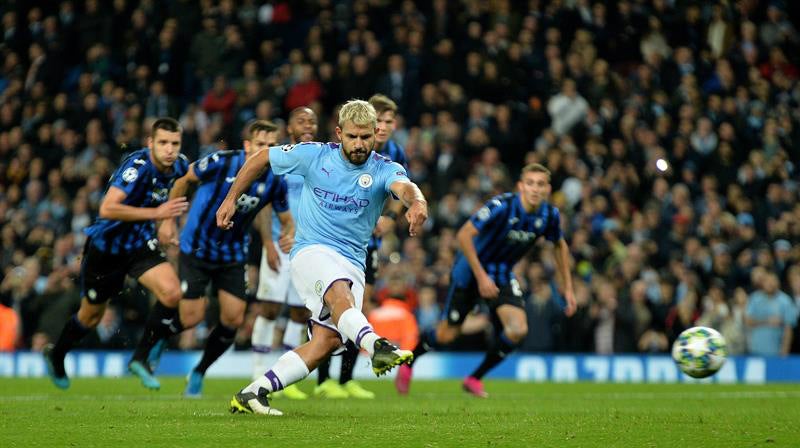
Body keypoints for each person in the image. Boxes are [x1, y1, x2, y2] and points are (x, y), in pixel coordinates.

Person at [217, 99, 428, 415]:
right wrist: (231, 199)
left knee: (325, 343)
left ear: (375, 135)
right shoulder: (314, 155)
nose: (359, 144)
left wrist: (418, 203)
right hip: (311, 251)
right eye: (353, 137)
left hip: (352, 260)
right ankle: (376, 346)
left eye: (366, 137)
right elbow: (261, 157)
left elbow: (405, 187)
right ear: (339, 133)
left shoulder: (384, 167)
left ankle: (252, 393)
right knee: (337, 294)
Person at [396, 163, 577, 398]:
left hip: (501, 274)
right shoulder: (502, 206)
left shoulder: (549, 215)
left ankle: (474, 378)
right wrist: (481, 277)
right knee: (447, 334)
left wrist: (568, 288)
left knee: (518, 329)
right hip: (469, 273)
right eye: (530, 183)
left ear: (548, 189)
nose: (535, 189)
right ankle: (409, 362)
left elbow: (559, 245)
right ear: (521, 186)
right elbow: (464, 234)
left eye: (540, 184)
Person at [43, 118, 190, 390]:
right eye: (163, 143)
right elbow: (107, 209)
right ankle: (56, 354)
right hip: (106, 250)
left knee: (171, 293)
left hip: (138, 245)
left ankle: (140, 359)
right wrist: (157, 214)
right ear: (150, 143)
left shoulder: (179, 165)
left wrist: (168, 223)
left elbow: (184, 183)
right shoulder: (137, 168)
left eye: (175, 143)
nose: (170, 149)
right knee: (90, 317)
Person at [152, 120, 293, 397]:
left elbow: (287, 220)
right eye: (261, 144)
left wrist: (288, 234)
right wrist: (169, 221)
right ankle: (160, 336)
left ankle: (199, 371)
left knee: (233, 319)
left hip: (232, 255)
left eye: (272, 145)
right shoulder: (221, 162)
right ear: (248, 145)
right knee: (192, 317)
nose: (266, 150)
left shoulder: (276, 180)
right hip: (197, 249)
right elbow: (184, 179)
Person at [314, 94, 408, 399]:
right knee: (331, 306)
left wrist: (391, 219)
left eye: (388, 122)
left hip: (367, 244)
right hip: (333, 241)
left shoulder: (394, 154)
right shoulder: (340, 152)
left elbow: (399, 195)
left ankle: (345, 379)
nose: (382, 127)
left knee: (359, 306)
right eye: (378, 120)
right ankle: (323, 380)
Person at [250, 107, 316, 400]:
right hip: (279, 244)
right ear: (289, 127)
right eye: (301, 120)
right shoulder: (280, 158)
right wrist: (268, 243)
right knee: (270, 308)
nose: (308, 125)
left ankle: (284, 377)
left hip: (307, 246)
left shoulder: (320, 157)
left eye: (312, 121)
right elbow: (263, 203)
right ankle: (258, 371)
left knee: (301, 311)